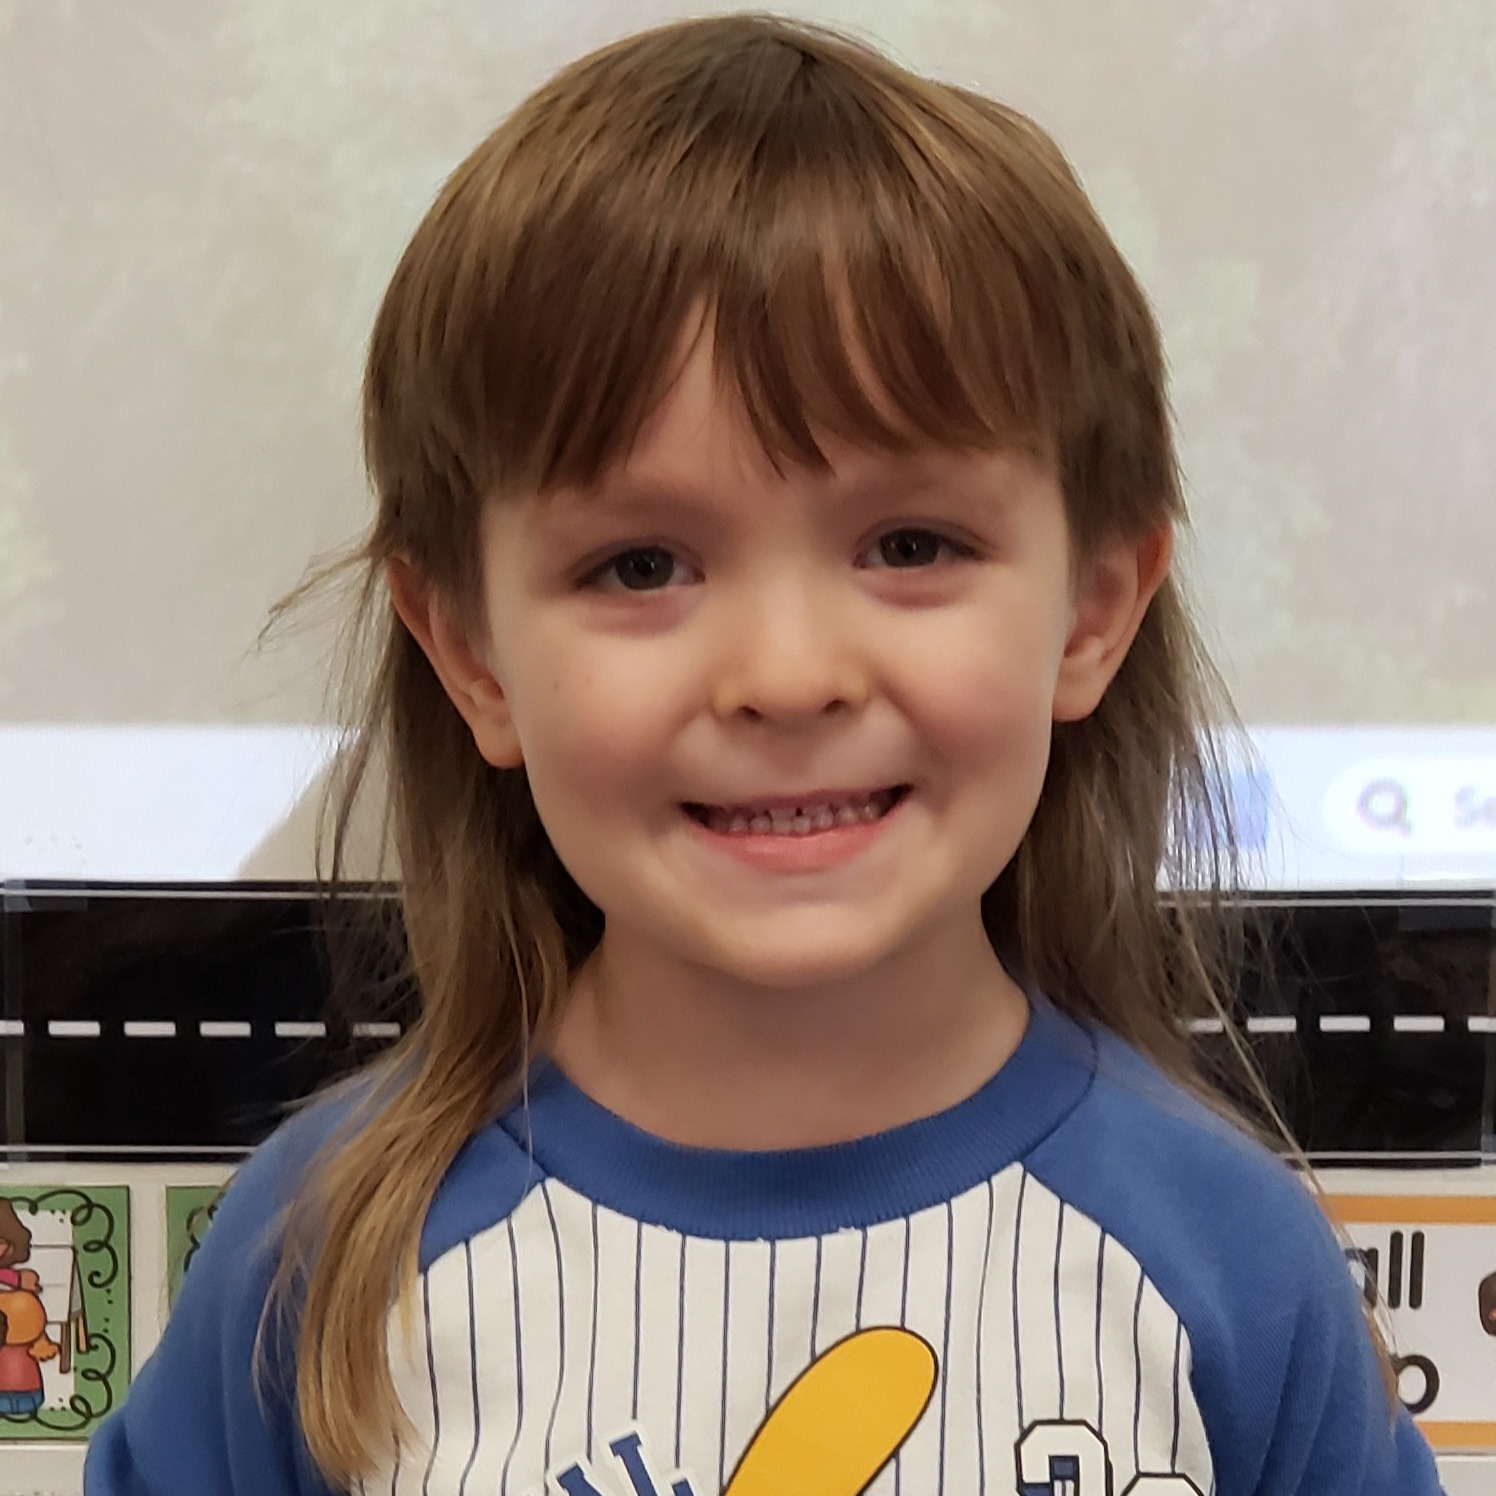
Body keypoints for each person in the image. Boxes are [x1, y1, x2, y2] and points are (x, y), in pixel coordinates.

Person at [84, 13, 1443, 1495]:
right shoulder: (325, 1262)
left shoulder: (1229, 1268)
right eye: (643, 565)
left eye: (910, 544)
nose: (787, 677)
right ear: (469, 649)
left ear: (1094, 607)